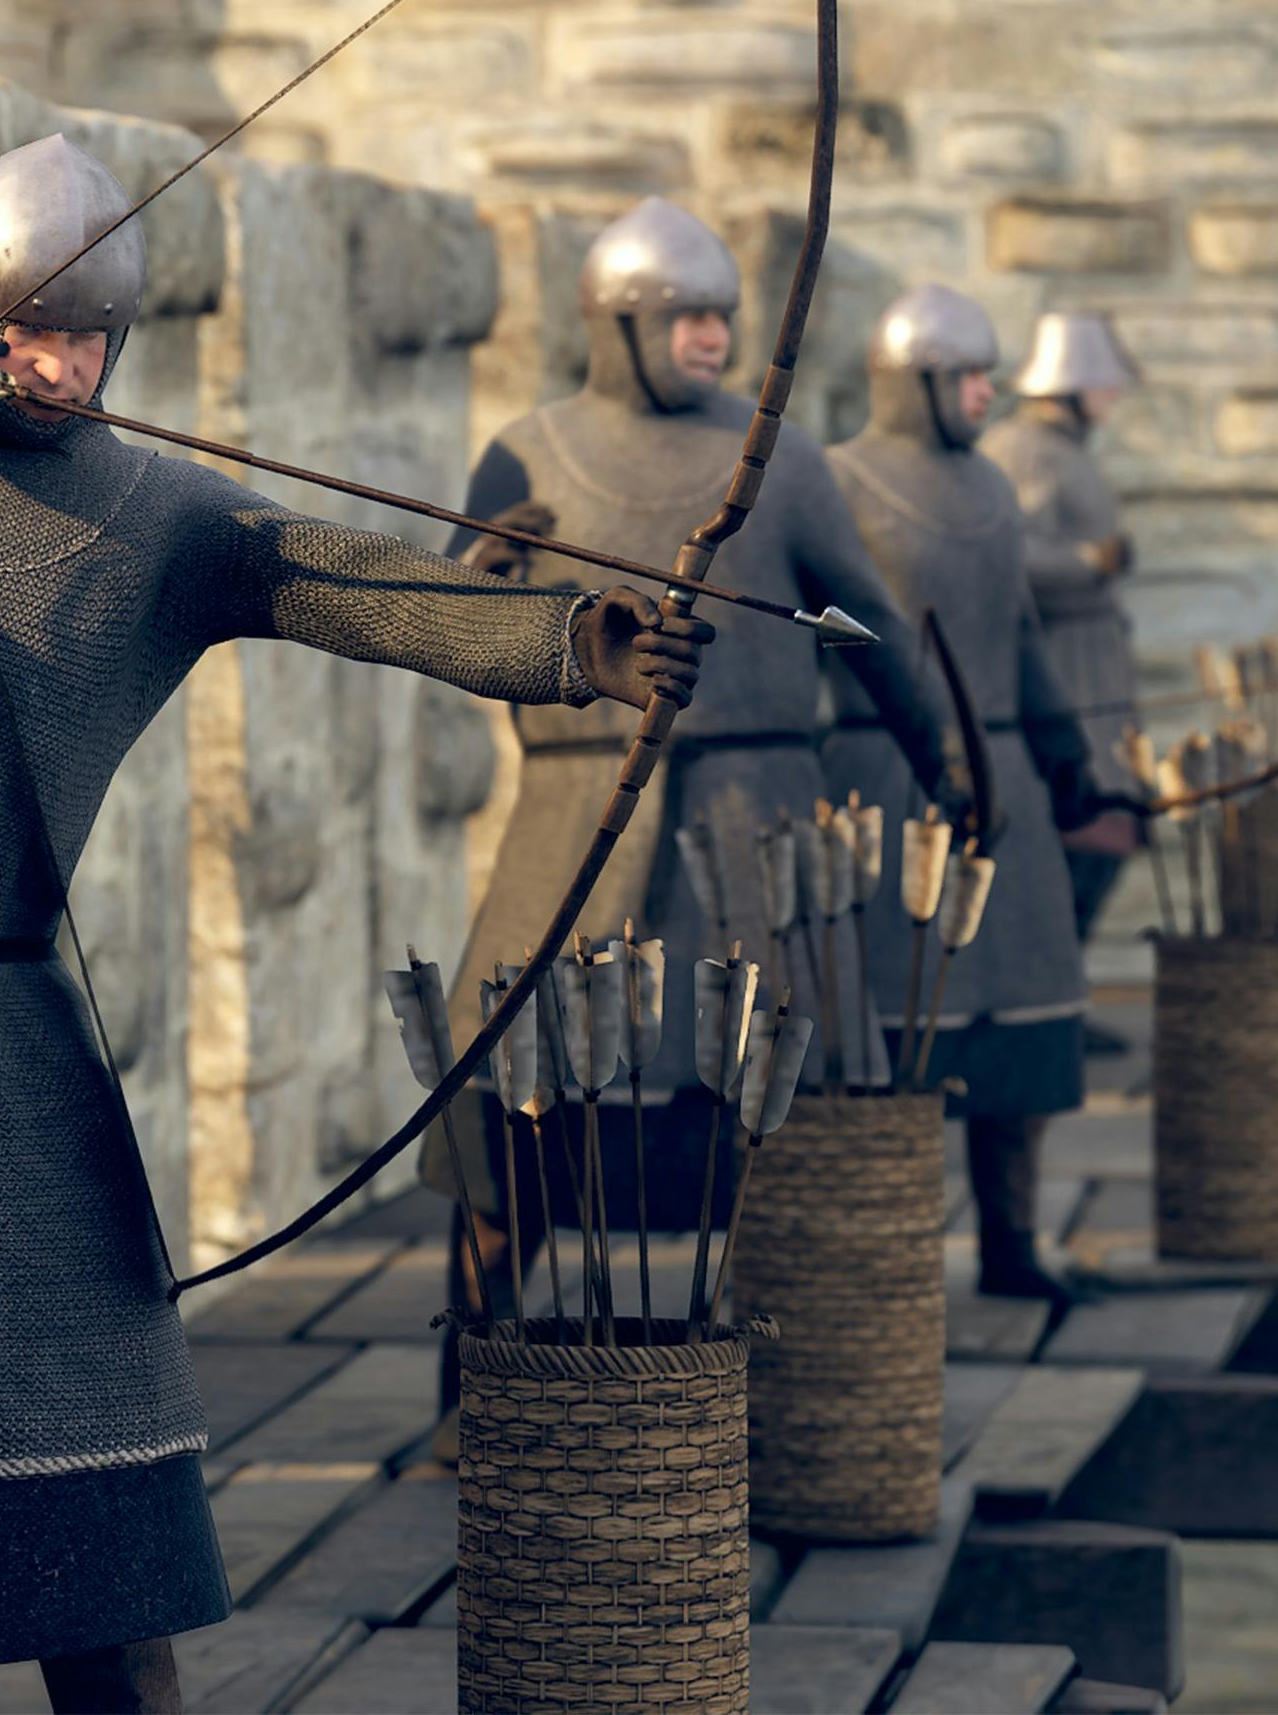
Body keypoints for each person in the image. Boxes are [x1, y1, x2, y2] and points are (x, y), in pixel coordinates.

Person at [0, 136, 711, 1709]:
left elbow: (350, 579)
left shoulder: (157, 516)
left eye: (89, 338)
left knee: (96, 1503)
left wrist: (574, 642)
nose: (60, 369)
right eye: (30, 331)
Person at [425, 196, 955, 1346]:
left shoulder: (780, 459)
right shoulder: (526, 454)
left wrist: (944, 762)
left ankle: (772, 1388)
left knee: (766, 1134)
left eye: (720, 316)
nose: (712, 338)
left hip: (747, 831)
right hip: (574, 827)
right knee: (513, 1134)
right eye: (684, 318)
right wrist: (474, 577)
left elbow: (860, 626)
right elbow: (457, 635)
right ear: (616, 326)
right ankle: (477, 1392)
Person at [823, 286, 1135, 1308]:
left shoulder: (995, 487)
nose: (985, 393)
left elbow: (1019, 635)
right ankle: (881, 1256)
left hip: (1008, 795)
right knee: (899, 1029)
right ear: (913, 382)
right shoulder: (834, 480)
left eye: (986, 375)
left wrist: (1062, 752)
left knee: (1026, 1022)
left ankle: (1012, 1246)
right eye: (967, 376)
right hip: (889, 783)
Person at [991, 312, 1148, 942]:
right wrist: (1090, 561)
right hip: (1061, 672)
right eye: (1102, 383)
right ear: (1069, 384)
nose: (1112, 396)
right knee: (1075, 838)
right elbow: (1008, 559)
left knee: (1103, 834)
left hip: (1091, 666)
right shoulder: (1023, 450)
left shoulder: (1064, 451)